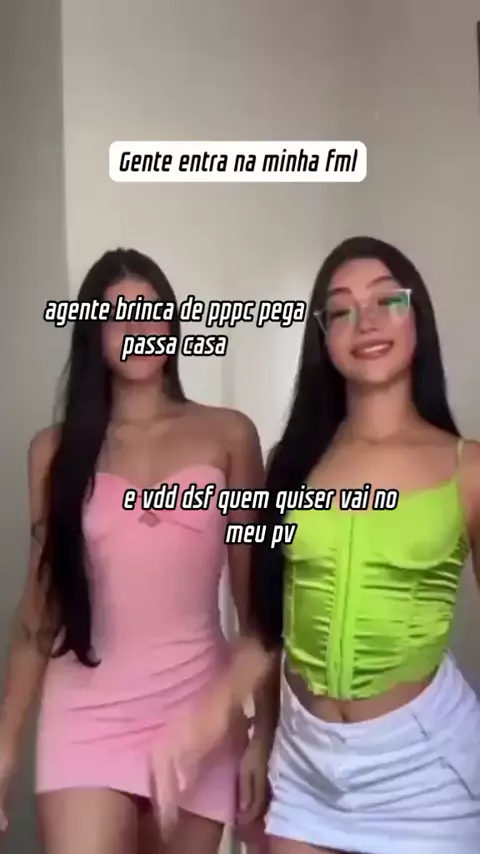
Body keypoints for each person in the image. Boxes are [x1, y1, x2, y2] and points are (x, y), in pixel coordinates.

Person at [176, 236, 480, 853]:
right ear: (323, 337)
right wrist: (237, 731)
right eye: (341, 309)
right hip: (305, 766)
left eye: (387, 301)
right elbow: (267, 629)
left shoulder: (468, 469)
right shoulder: (290, 466)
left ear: (417, 317)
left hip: (424, 771)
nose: (365, 321)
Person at [0, 248, 268, 854]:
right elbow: (39, 614)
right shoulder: (52, 451)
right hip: (86, 713)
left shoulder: (229, 434)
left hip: (198, 711)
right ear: (92, 335)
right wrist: (6, 746)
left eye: (150, 310)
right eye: (115, 315)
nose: (137, 328)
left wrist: (264, 732)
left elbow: (258, 610)